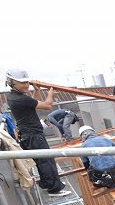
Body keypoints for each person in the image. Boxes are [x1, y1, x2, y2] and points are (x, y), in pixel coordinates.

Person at [5, 68, 71, 197]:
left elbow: (33, 104)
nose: (25, 85)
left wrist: (37, 90)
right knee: (47, 160)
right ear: (12, 82)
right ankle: (54, 189)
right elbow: (47, 105)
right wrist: (51, 93)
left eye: (26, 82)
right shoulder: (19, 99)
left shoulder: (15, 97)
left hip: (28, 134)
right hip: (32, 135)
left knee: (41, 161)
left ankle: (47, 184)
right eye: (22, 83)